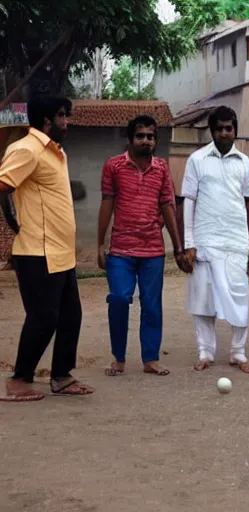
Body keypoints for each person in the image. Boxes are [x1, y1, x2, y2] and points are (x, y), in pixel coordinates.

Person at [0, 95, 94, 401]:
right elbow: (3, 184)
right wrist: (13, 223)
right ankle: (18, 381)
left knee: (70, 316)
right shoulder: (26, 149)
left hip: (59, 252)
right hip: (36, 252)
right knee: (43, 318)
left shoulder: (54, 152)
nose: (66, 122)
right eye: (62, 116)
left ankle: (61, 377)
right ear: (46, 120)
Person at [98, 115, 186, 377]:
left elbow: (168, 207)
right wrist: (100, 243)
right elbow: (106, 204)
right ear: (130, 139)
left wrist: (178, 246)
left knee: (151, 303)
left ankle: (150, 359)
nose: (146, 140)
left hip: (153, 252)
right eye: (140, 135)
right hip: (121, 250)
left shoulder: (161, 168)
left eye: (150, 136)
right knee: (119, 298)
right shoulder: (113, 167)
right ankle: (119, 358)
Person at [182, 106, 249, 373]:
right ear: (212, 131)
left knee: (240, 296)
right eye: (219, 129)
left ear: (235, 130)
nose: (225, 133)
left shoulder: (244, 162)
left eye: (229, 128)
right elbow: (188, 202)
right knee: (203, 299)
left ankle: (238, 352)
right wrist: (188, 242)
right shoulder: (197, 159)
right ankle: (206, 352)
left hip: (235, 241)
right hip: (205, 241)